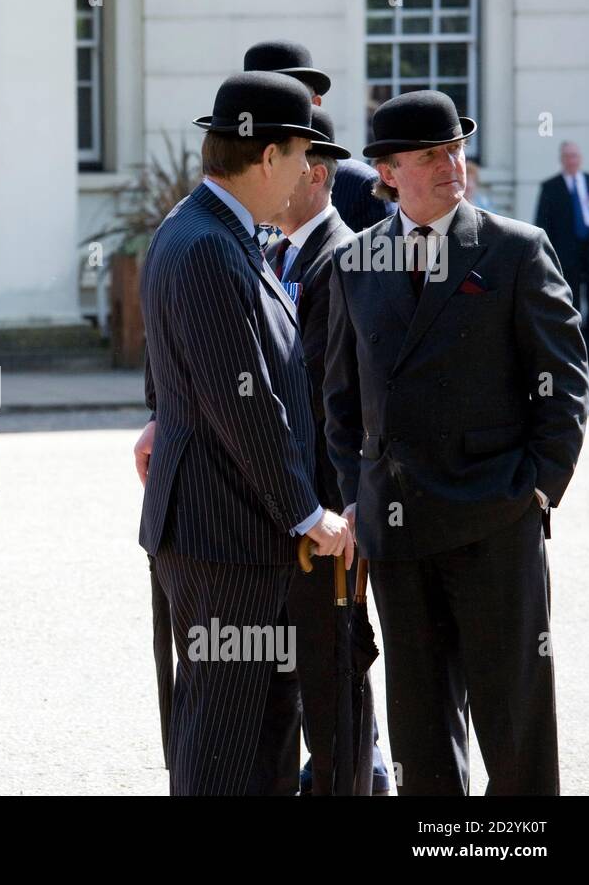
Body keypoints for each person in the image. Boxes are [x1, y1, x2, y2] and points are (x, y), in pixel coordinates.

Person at [325, 90, 589, 794]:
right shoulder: (355, 264)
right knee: (420, 729)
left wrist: (533, 490)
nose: (453, 164)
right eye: (432, 154)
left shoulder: (514, 250)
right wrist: (357, 497)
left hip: (494, 522)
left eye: (457, 148)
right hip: (398, 533)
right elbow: (341, 401)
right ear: (388, 172)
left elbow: (564, 384)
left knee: (515, 719)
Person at [138, 71, 352, 795]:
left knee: (259, 741)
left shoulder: (212, 232)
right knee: (222, 750)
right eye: (300, 156)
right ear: (267, 158)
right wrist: (305, 509)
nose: (306, 174)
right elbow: (245, 402)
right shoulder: (206, 245)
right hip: (222, 536)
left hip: (231, 534)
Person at [268, 106, 389, 795]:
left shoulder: (350, 258)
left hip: (325, 521)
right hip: (285, 513)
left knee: (336, 695)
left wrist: (344, 505)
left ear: (314, 174)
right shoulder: (266, 250)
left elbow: (338, 396)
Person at [244, 40, 396, 233]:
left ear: (314, 104)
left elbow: (387, 259)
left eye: (287, 103)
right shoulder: (238, 185)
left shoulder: (359, 186)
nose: (274, 119)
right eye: (261, 105)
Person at [534, 141, 589, 355]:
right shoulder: (551, 186)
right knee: (571, 296)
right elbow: (542, 222)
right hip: (565, 251)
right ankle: (574, 344)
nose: (572, 160)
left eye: (575, 156)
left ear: (580, 158)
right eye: (568, 156)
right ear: (562, 159)